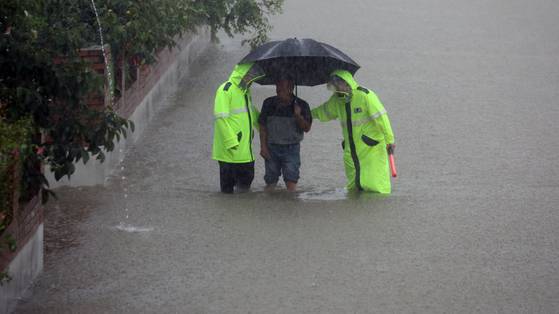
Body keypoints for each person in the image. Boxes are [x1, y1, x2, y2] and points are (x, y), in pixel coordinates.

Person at [311, 70, 395, 193]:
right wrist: (305, 113)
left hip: (371, 149)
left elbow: (382, 118)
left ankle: (375, 210)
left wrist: (390, 140)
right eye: (333, 85)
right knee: (354, 187)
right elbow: (323, 112)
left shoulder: (365, 95)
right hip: (351, 151)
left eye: (337, 84)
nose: (335, 88)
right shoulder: (337, 100)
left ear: (345, 83)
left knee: (376, 187)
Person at [212, 63, 265, 193]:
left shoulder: (246, 92)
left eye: (253, 79)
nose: (251, 81)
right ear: (243, 75)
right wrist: (231, 141)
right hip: (228, 154)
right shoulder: (225, 89)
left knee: (245, 191)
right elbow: (220, 118)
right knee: (227, 193)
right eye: (250, 77)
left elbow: (251, 113)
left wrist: (265, 128)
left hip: (246, 154)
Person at [258, 79, 312, 192]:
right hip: (271, 147)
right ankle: (269, 205)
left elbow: (307, 128)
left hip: (291, 148)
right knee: (270, 180)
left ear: (290, 88)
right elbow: (262, 126)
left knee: (291, 179)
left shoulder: (302, 105)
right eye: (277, 87)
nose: (278, 90)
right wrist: (263, 147)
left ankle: (291, 206)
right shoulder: (268, 103)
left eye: (281, 88)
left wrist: (298, 116)